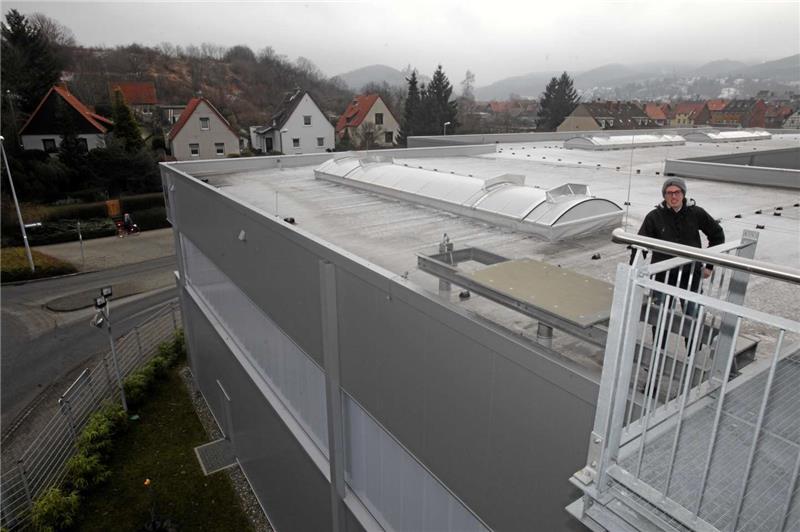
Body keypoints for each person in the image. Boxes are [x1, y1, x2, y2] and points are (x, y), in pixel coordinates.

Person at [635, 177, 725, 355]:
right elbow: (640, 244)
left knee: (692, 317)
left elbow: (717, 235)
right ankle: (658, 353)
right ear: (664, 195)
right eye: (669, 193)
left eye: (677, 192)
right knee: (661, 316)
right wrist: (634, 269)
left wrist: (708, 266)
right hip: (662, 275)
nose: (673, 196)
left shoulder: (696, 213)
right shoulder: (654, 216)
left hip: (689, 275)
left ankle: (693, 355)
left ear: (683, 194)